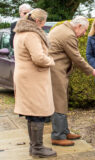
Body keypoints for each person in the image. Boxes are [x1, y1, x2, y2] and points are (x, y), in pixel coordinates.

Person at [48, 16, 95, 146]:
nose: (84, 34)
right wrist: (91, 70)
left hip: (56, 69)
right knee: (59, 101)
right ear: (78, 26)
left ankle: (64, 131)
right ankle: (58, 136)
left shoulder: (61, 28)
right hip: (56, 71)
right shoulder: (68, 34)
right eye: (84, 30)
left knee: (62, 100)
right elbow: (76, 57)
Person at [13, 8, 56, 158]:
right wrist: (51, 60)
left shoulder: (20, 32)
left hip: (26, 77)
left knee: (31, 113)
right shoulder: (32, 34)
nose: (43, 25)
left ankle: (34, 146)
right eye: (43, 22)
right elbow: (38, 58)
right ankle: (37, 148)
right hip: (33, 78)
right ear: (38, 21)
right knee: (37, 112)